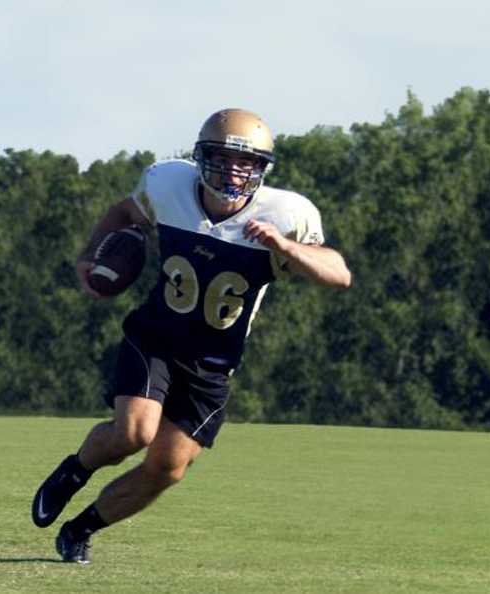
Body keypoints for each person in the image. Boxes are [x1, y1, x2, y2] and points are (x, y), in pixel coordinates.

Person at [31, 108, 352, 564]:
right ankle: (76, 469)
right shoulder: (169, 184)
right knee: (133, 432)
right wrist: (91, 257)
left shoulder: (286, 215)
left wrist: (286, 248)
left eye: (247, 163)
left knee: (168, 467)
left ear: (262, 169)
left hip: (213, 362)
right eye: (223, 158)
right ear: (202, 157)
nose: (234, 171)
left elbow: (339, 275)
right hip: (157, 337)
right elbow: (125, 212)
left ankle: (82, 527)